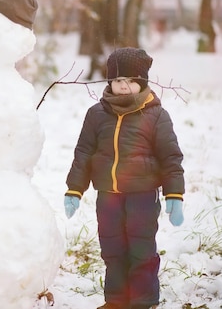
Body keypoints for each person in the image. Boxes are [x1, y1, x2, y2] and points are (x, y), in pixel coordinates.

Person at [63, 47, 185, 309]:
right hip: (108, 196)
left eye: (130, 81)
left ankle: (142, 302)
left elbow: (171, 158)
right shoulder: (96, 114)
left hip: (142, 195)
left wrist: (174, 195)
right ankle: (116, 301)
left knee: (141, 250)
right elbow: (83, 152)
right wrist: (74, 189)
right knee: (112, 249)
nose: (124, 87)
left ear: (141, 82)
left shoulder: (155, 116)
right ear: (110, 82)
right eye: (118, 81)